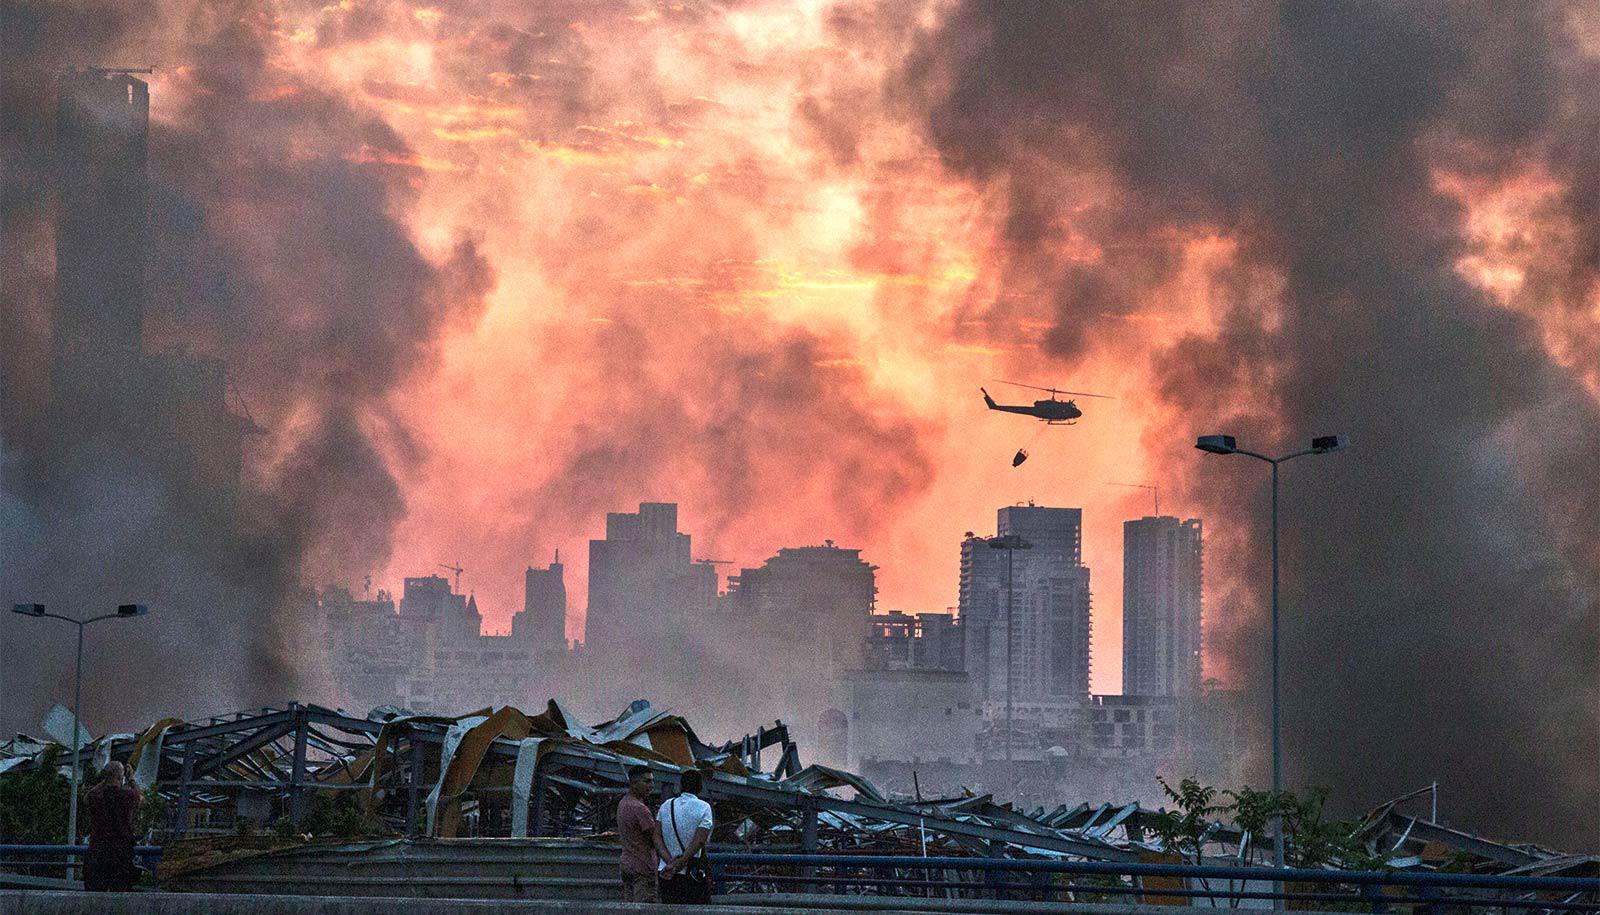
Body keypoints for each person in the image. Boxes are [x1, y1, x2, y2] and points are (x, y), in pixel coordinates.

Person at [84, 761, 142, 892]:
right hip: (120, 852)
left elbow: (87, 797)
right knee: (119, 895)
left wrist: (106, 779)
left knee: (94, 895)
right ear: (121, 777)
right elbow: (139, 797)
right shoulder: (126, 797)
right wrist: (131, 779)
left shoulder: (96, 797)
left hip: (97, 850)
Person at [657, 768, 713, 905]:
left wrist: (670, 861)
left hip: (666, 870)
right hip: (691, 872)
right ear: (700, 788)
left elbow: (656, 836)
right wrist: (681, 862)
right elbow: (700, 840)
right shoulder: (704, 807)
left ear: (681, 786)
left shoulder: (666, 805)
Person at [616, 765, 670, 903]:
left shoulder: (623, 803)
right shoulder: (640, 809)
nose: (651, 786)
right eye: (646, 781)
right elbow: (654, 839)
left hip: (627, 863)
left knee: (629, 907)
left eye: (652, 781)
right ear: (633, 783)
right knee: (645, 907)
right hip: (643, 866)